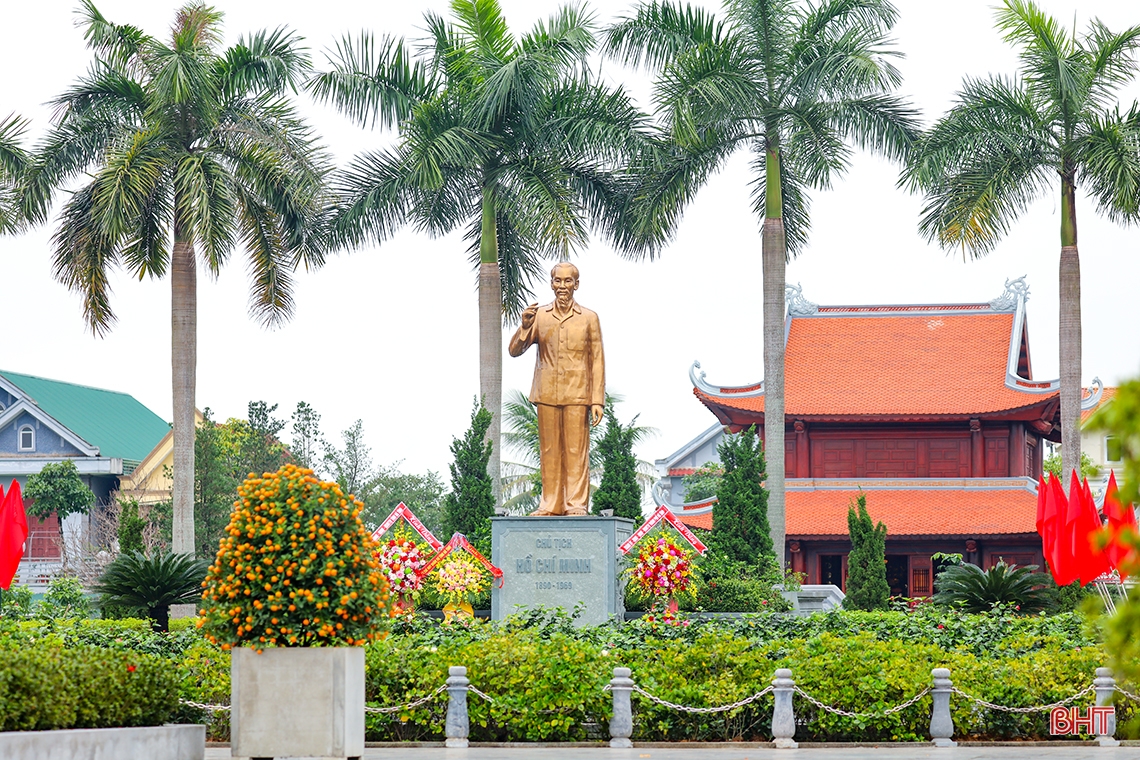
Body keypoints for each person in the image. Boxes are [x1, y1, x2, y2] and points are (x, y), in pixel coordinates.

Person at [509, 263, 605, 516]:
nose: (562, 286)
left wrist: (597, 400)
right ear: (552, 283)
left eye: (568, 281)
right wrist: (526, 326)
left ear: (576, 284)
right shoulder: (539, 316)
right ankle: (549, 504)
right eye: (558, 281)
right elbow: (514, 351)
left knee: (576, 451)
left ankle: (576, 505)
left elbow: (597, 359)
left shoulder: (589, 318)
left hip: (578, 393)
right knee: (550, 451)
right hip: (547, 392)